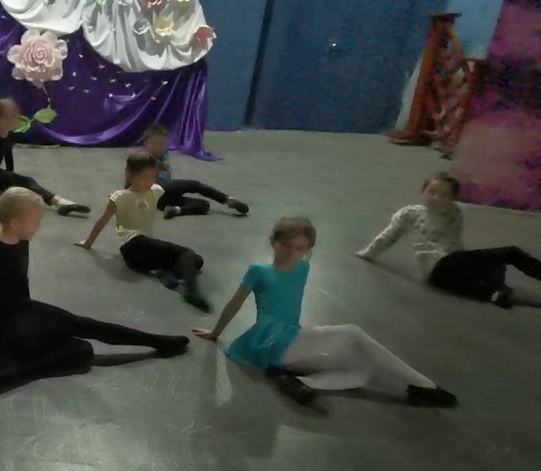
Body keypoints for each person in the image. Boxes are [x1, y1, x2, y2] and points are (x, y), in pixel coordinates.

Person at [0, 187, 189, 391]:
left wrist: (41, 320)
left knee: (82, 336)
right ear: (15, 223)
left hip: (25, 315)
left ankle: (157, 343)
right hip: (7, 331)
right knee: (82, 346)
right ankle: (21, 373)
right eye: (35, 222)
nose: (38, 227)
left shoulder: (22, 241)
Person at [194, 217, 457, 408]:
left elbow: (302, 260)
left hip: (290, 342)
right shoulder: (259, 271)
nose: (291, 252)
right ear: (274, 242)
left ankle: (302, 384)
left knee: (363, 372)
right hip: (271, 339)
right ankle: (424, 385)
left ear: (307, 250)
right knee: (353, 333)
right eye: (285, 245)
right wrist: (215, 333)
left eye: (299, 248)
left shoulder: (303, 267)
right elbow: (234, 303)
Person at [357, 171, 540, 309]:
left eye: (445, 195)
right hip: (437, 269)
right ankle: (494, 289)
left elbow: (454, 240)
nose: (437, 198)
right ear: (423, 192)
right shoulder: (409, 214)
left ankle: (495, 293)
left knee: (496, 265)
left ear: (452, 199)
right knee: (510, 252)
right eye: (432, 192)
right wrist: (367, 253)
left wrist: (471, 261)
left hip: (452, 265)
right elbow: (388, 236)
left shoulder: (454, 212)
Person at [75, 151, 211, 311]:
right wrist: (88, 243)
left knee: (197, 261)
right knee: (188, 254)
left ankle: (161, 272)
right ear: (129, 175)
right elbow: (103, 220)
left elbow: (172, 190)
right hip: (133, 245)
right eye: (144, 177)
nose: (149, 182)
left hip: (142, 255)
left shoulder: (155, 190)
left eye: (152, 177)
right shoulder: (120, 197)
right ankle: (191, 292)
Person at [0, 98, 89, 216]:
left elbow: (9, 160)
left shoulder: (8, 134)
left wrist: (11, 180)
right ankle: (59, 201)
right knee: (28, 182)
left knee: (22, 187)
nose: (10, 120)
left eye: (13, 116)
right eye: (6, 117)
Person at [142, 124, 248, 219]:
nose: (158, 147)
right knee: (194, 185)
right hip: (157, 191)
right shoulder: (142, 158)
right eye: (154, 143)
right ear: (145, 143)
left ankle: (176, 210)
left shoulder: (163, 156)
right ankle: (226, 199)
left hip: (165, 198)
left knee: (204, 205)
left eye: (162, 144)